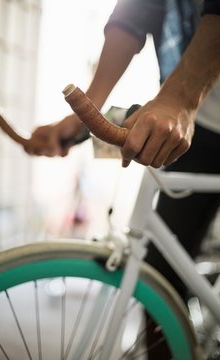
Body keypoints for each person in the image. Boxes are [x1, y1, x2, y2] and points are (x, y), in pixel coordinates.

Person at [25, 0, 220, 357]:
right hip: (203, 124)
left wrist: (179, 99)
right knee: (163, 284)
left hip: (191, 103)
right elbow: (134, 13)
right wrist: (89, 112)